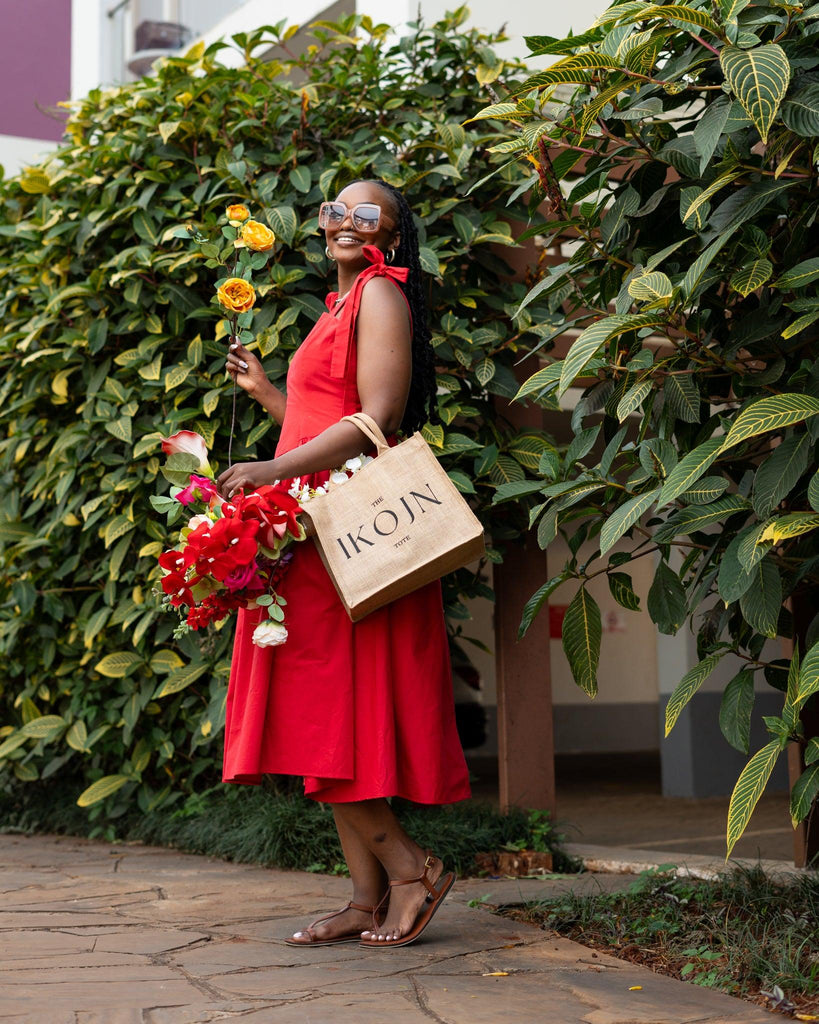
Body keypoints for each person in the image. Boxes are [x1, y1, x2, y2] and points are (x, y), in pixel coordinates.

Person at [215, 179, 471, 948]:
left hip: (344, 543)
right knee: (331, 719)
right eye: (334, 211)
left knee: (318, 711)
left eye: (366, 215)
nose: (343, 223)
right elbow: (320, 418)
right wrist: (269, 395)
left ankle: (411, 871)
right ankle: (364, 898)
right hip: (309, 535)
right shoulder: (339, 305)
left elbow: (373, 422)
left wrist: (267, 469)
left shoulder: (381, 295)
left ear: (390, 235)